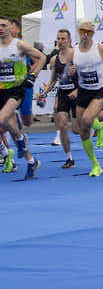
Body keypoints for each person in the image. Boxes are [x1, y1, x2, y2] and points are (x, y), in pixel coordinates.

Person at [66, 20, 103, 177]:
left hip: (99, 90)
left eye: (88, 32)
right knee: (80, 130)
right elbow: (66, 71)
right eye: (82, 31)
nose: (85, 34)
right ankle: (95, 164)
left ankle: (100, 127)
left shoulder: (101, 48)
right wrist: (69, 72)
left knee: (87, 120)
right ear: (78, 31)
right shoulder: (73, 51)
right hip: (84, 91)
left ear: (93, 33)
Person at [0, 16, 46, 178]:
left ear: (10, 27)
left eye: (4, 25)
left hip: (16, 90)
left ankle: (19, 141)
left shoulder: (19, 44)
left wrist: (32, 75)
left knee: (2, 119)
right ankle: (31, 161)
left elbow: (42, 58)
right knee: (11, 129)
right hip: (1, 91)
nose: (1, 28)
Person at [37, 30, 78, 168]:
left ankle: (98, 125)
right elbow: (53, 79)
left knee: (77, 129)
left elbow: (86, 75)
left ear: (69, 40)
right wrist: (45, 93)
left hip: (77, 94)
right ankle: (69, 158)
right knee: (61, 125)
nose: (61, 41)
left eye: (63, 39)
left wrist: (77, 90)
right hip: (63, 94)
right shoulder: (54, 59)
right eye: (58, 39)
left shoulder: (75, 55)